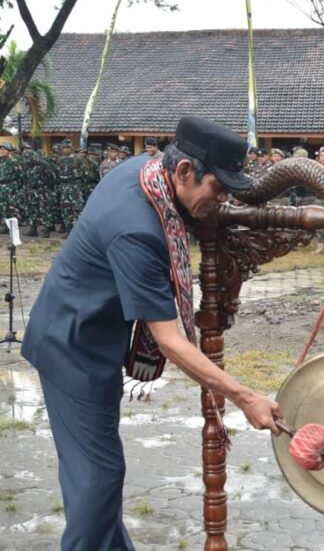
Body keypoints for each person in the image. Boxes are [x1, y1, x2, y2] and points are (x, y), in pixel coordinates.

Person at [21, 116, 282, 550]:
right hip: (71, 346)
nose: (220, 201)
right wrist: (246, 397)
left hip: (95, 335)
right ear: (183, 172)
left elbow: (189, 211)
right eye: (217, 189)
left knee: (100, 476)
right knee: (97, 479)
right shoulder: (137, 232)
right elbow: (171, 341)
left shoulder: (143, 170)